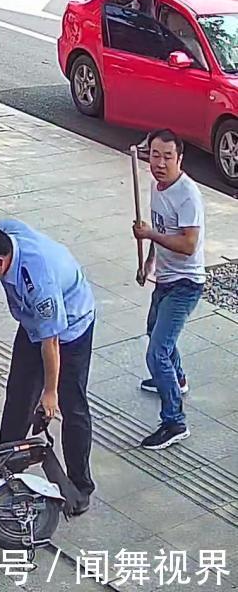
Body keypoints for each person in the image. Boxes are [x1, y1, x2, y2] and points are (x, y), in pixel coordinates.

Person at [0, 219, 96, 514]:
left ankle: (79, 486)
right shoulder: (1, 235)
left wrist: (49, 393)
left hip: (70, 328)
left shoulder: (39, 282)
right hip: (33, 323)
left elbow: (52, 343)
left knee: (71, 405)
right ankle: (2, 469)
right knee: (19, 396)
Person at [133, 129, 205, 451]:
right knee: (154, 332)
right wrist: (149, 261)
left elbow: (188, 245)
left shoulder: (188, 194)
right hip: (163, 279)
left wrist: (150, 236)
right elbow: (158, 226)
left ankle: (174, 421)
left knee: (157, 351)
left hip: (186, 284)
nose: (159, 163)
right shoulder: (155, 186)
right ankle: (178, 379)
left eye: (167, 156)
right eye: (155, 155)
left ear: (179, 158)